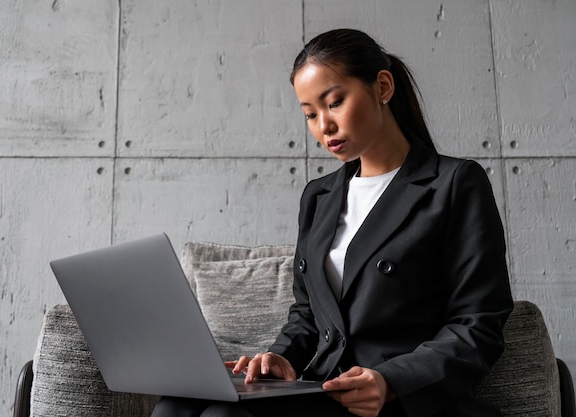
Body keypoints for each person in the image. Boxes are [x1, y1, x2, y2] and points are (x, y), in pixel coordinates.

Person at [152, 28, 513, 417]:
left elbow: (478, 322)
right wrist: (281, 357)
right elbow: (308, 313)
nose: (323, 126)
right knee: (178, 403)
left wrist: (391, 381)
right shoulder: (319, 197)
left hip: (394, 399)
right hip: (320, 386)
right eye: (309, 114)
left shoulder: (454, 184)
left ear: (383, 87)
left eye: (335, 102)